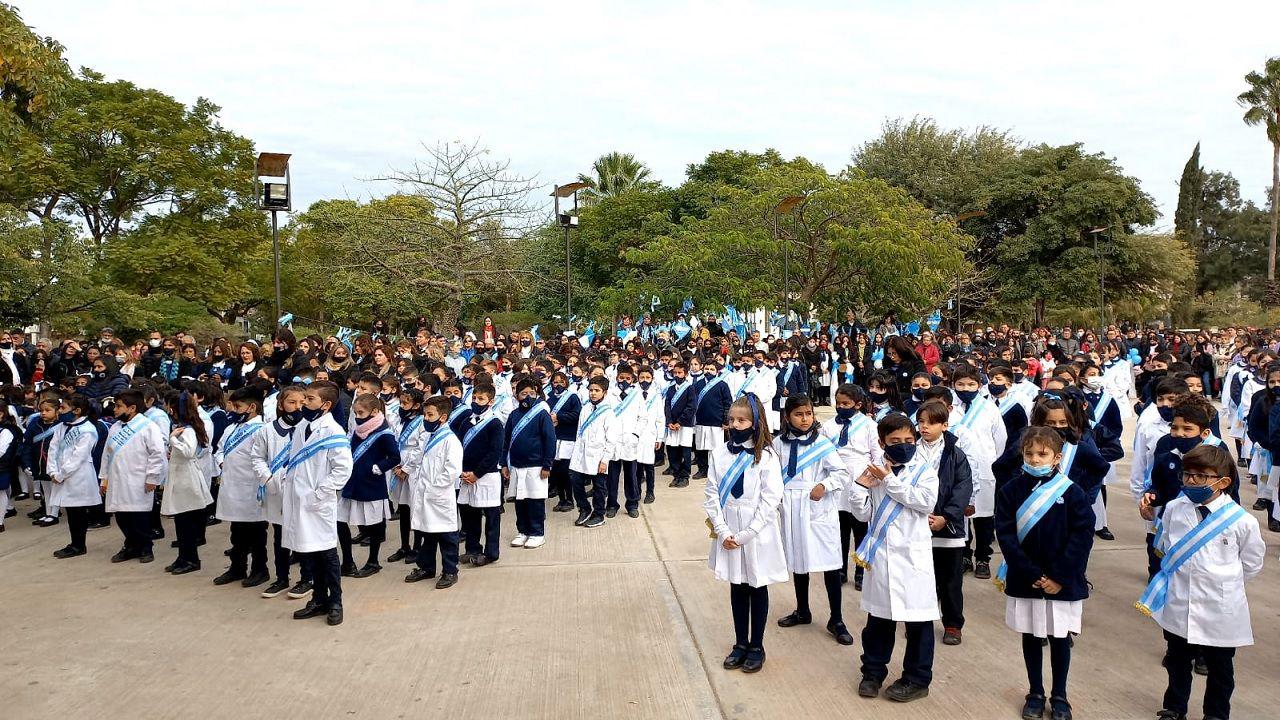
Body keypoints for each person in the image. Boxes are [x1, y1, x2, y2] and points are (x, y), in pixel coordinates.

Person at [1138, 445, 1265, 720]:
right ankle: (1174, 708)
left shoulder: (1242, 522)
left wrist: (1222, 582)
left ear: (1223, 481)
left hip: (1220, 605)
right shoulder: (1174, 508)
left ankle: (1216, 713)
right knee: (1177, 660)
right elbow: (1167, 544)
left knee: (1220, 668)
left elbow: (1252, 563)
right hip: (1181, 600)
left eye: (1201, 476)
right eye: (1188, 474)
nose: (1192, 481)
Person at [995, 427, 1095, 720]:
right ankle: (1035, 691)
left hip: (1062, 580)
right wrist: (1030, 572)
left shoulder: (1072, 492)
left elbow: (1082, 535)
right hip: (1026, 577)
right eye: (1030, 454)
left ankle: (1060, 695)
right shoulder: (1010, 490)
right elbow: (1006, 534)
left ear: (1056, 457)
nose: (1035, 460)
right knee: (1031, 634)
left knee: (1060, 637)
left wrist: (1059, 576)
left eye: (1043, 454)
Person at [849, 413, 940, 703]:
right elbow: (862, 514)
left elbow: (925, 502)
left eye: (909, 440)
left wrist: (889, 481)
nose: (903, 445)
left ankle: (916, 678)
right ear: (882, 442)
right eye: (895, 441)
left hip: (913, 557)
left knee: (918, 622)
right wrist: (860, 487)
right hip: (882, 557)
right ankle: (872, 672)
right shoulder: (876, 470)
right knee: (879, 620)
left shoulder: (924, 470)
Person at [704, 393, 787, 674]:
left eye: (742, 420)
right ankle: (740, 643)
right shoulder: (718, 453)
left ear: (755, 422)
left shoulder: (766, 456)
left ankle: (757, 645)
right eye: (731, 420)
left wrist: (748, 533)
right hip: (728, 526)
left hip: (756, 530)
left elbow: (771, 498)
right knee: (736, 585)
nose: (735, 424)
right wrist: (723, 529)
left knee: (756, 584)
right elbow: (712, 493)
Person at [772, 395, 852, 645]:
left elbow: (841, 473)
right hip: (792, 507)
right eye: (798, 414)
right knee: (799, 560)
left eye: (808, 413)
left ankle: (836, 618)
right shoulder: (778, 445)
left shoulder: (823, 444)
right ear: (788, 417)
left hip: (817, 507)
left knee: (829, 563)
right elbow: (772, 475)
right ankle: (802, 609)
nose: (805, 419)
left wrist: (824, 485)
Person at [283, 382, 354, 626]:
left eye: (309, 399)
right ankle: (318, 598)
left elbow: (343, 469)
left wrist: (320, 492)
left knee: (326, 553)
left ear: (325, 405)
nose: (303, 404)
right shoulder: (303, 425)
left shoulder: (333, 431)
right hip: (299, 499)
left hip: (318, 502)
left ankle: (335, 602)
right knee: (308, 552)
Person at [915, 400, 973, 646]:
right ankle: (918, 621)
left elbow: (963, 487)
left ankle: (952, 623)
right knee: (920, 577)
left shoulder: (955, 453)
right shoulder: (911, 450)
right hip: (917, 524)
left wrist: (946, 516)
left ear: (945, 425)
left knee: (950, 580)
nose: (924, 427)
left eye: (931, 423)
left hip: (948, 527)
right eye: (921, 422)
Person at [820, 383, 881, 590]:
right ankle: (840, 568)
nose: (841, 406)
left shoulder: (869, 426)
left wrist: (872, 479)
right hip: (837, 481)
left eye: (846, 403)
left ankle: (861, 570)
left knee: (861, 528)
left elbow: (877, 455)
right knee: (840, 529)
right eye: (838, 403)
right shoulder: (828, 427)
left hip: (860, 479)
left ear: (858, 404)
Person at [252, 385, 310, 599]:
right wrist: (267, 479)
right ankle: (282, 578)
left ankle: (307, 579)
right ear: (281, 404)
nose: (297, 407)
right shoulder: (267, 430)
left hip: (302, 491)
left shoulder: (309, 428)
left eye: (302, 403)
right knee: (279, 537)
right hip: (276, 492)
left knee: (302, 535)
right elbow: (257, 457)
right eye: (292, 402)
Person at [951, 363, 1007, 579]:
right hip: (957, 471)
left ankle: (983, 557)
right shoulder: (949, 408)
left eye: (971, 384)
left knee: (983, 516)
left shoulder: (989, 408)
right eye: (961, 384)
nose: (965, 388)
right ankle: (964, 554)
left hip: (984, 470)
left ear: (979, 385)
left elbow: (1000, 440)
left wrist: (991, 462)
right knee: (960, 514)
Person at [212, 386, 270, 588]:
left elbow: (265, 460)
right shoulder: (231, 428)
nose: (234, 410)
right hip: (232, 487)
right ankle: (237, 567)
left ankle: (260, 569)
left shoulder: (263, 430)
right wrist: (220, 462)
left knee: (256, 533)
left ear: (252, 407)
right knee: (236, 532)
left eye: (238, 407)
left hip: (252, 489)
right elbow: (219, 451)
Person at [101, 389, 167, 563]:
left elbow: (157, 454)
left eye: (118, 406)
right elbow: (106, 455)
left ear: (132, 408)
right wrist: (104, 478)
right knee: (122, 517)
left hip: (138, 480)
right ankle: (131, 546)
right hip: (117, 480)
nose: (114, 409)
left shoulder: (148, 426)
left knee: (139, 517)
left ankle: (145, 548)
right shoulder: (115, 427)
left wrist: (152, 478)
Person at [405, 396, 463, 588]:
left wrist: (434, 486)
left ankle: (450, 570)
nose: (426, 419)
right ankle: (426, 567)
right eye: (425, 414)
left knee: (446, 536)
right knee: (426, 533)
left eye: (430, 415)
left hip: (438, 495)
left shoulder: (450, 440)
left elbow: (452, 469)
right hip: (424, 493)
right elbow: (418, 458)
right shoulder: (428, 436)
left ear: (443, 417)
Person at [338, 394, 399, 577]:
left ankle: (373, 561)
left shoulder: (384, 433)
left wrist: (378, 468)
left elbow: (395, 457)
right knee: (340, 520)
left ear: (374, 411)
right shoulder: (357, 430)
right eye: (355, 412)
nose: (357, 416)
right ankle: (347, 561)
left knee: (374, 525)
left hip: (371, 484)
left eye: (361, 412)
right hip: (352, 483)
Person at [160, 390, 214, 575]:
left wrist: (173, 439)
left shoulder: (188, 430)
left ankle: (191, 559)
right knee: (181, 523)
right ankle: (183, 557)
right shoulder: (183, 427)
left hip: (186, 478)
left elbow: (189, 451)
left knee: (186, 522)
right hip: (179, 475)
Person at [504, 377, 557, 547]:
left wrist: (547, 464)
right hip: (517, 466)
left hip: (536, 465)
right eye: (523, 393)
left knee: (535, 501)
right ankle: (523, 531)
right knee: (520, 501)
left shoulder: (541, 414)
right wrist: (504, 464)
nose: (527, 396)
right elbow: (506, 441)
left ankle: (537, 533)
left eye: (531, 393)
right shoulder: (513, 415)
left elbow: (550, 439)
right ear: (517, 395)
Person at [457, 382, 504, 565]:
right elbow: (460, 447)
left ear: (490, 401)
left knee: (491, 516)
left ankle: (491, 552)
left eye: (481, 399)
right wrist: (463, 471)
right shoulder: (465, 422)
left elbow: (494, 452)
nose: (476, 401)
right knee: (470, 515)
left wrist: (477, 473)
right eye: (474, 398)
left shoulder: (494, 423)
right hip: (467, 475)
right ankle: (472, 548)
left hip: (486, 476)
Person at [569, 376, 617, 528]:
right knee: (575, 480)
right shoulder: (585, 408)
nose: (593, 393)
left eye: (597, 391)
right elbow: (579, 432)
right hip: (581, 453)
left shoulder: (608, 413)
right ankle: (584, 508)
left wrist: (605, 460)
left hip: (598, 456)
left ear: (605, 392)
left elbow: (611, 439)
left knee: (599, 487)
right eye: (591, 390)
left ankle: (599, 514)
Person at [547, 371, 581, 512]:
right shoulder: (549, 399)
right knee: (556, 471)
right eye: (555, 382)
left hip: (568, 439)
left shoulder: (572, 397)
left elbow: (576, 414)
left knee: (565, 471)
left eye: (561, 382)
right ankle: (561, 499)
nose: (558, 385)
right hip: (555, 439)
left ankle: (569, 499)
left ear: (566, 383)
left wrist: (558, 417)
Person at [664, 361, 696, 488]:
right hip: (672, 425)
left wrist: (680, 422)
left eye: (680, 373)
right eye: (675, 372)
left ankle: (684, 476)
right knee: (672, 450)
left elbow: (691, 407)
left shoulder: (689, 388)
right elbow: (667, 406)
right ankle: (676, 474)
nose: (677, 375)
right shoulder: (671, 388)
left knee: (685, 450)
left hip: (684, 425)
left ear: (685, 374)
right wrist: (670, 421)